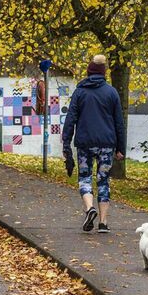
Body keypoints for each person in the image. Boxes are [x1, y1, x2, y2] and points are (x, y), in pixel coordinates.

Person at [62, 54, 126, 233]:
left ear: (89, 71)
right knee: (104, 180)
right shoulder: (111, 92)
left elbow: (71, 118)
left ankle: (90, 208)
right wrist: (120, 147)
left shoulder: (80, 91)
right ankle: (103, 223)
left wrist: (66, 142)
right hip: (106, 144)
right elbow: (119, 122)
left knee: (85, 177)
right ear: (103, 72)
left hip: (84, 143)